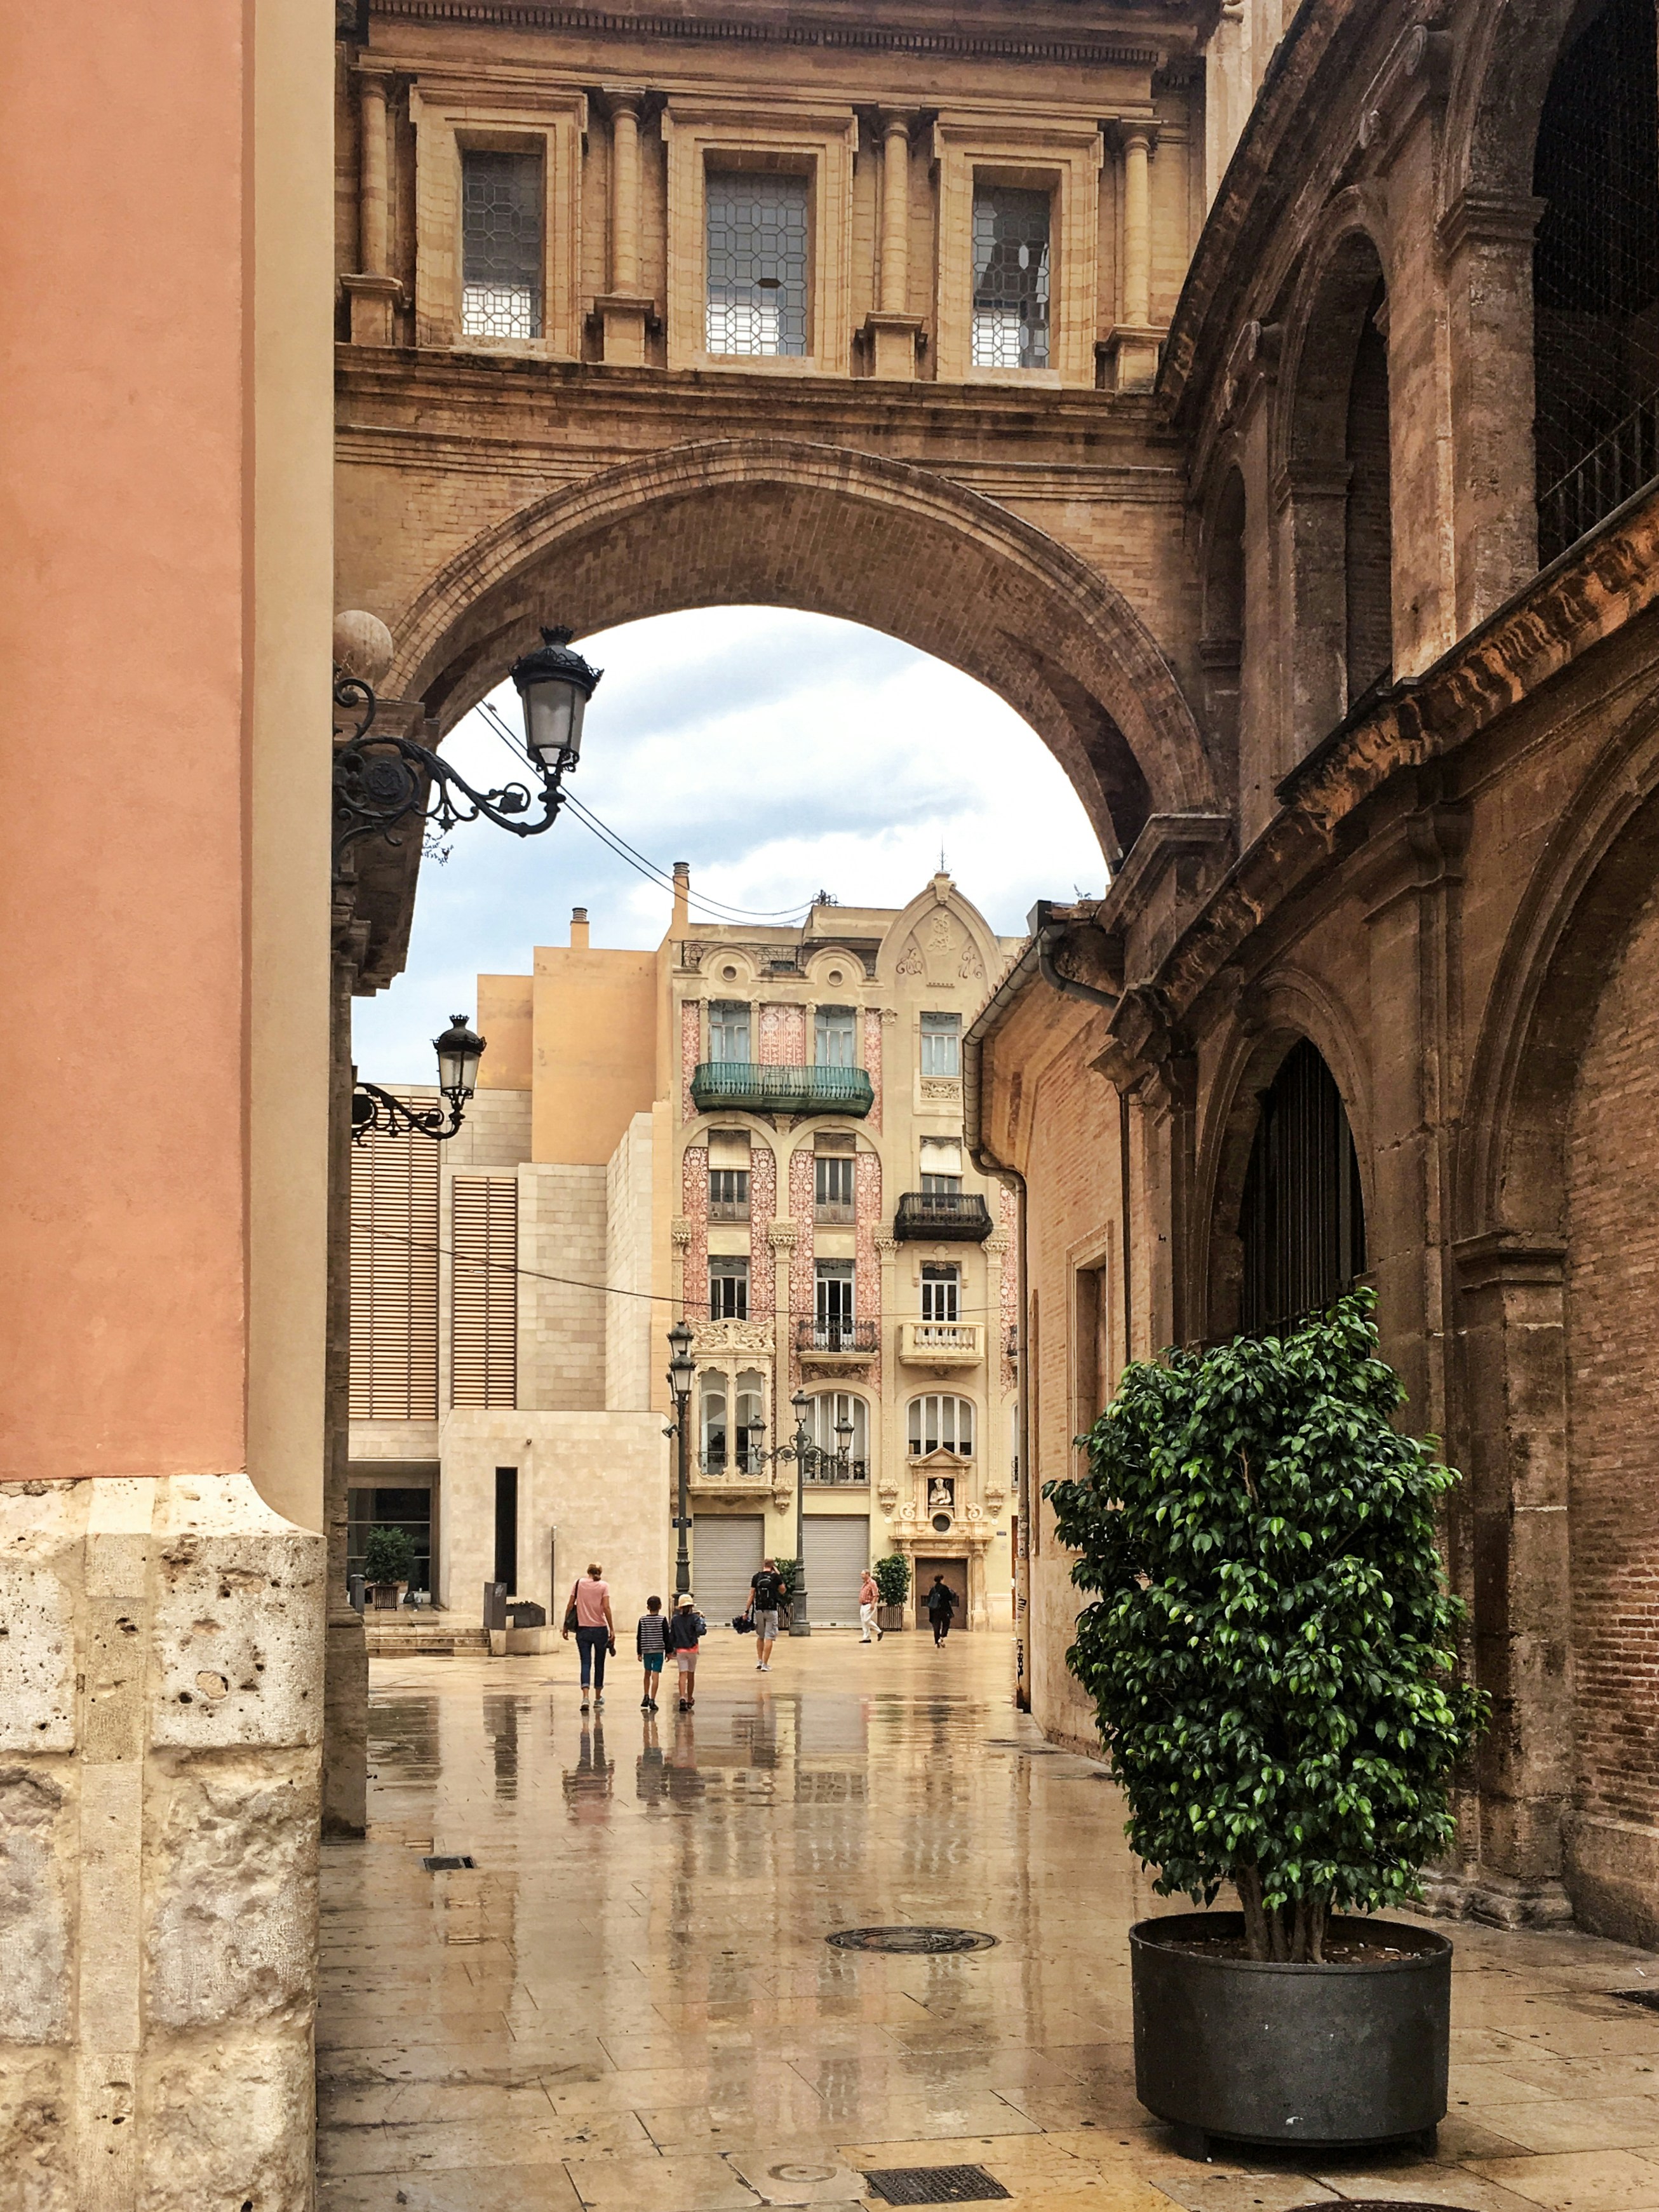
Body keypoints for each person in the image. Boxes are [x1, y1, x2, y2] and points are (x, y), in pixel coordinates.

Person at [562, 1561, 615, 1711]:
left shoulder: (578, 1583)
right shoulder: (604, 1586)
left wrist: (565, 1625)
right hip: (600, 1630)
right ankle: (598, 1698)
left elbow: (570, 1605)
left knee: (585, 1663)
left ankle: (585, 1697)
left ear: (588, 1572)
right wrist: (612, 1629)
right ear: (600, 1572)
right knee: (600, 1663)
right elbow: (606, 1608)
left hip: (583, 1630)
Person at [668, 1592, 706, 1710]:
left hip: (680, 1650)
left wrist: (670, 1650)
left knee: (682, 1674)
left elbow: (672, 1636)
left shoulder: (675, 1619)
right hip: (692, 1649)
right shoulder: (695, 1618)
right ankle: (690, 1698)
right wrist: (702, 1620)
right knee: (691, 1675)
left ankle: (682, 1697)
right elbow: (701, 1631)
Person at [749, 1556, 788, 1672]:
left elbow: (751, 1595)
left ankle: (760, 1661)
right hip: (771, 1610)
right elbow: (783, 1590)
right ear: (773, 1567)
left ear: (763, 1565)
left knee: (760, 1636)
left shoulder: (756, 1577)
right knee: (769, 1637)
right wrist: (778, 1574)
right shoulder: (775, 1577)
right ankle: (766, 1665)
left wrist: (746, 1611)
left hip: (759, 1610)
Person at [637, 1594, 667, 1711]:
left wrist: (639, 1652)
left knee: (647, 1673)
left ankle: (646, 1695)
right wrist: (669, 1651)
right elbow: (666, 1636)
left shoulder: (643, 1620)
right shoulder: (662, 1620)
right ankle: (653, 1700)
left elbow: (639, 1636)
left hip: (646, 1650)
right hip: (659, 1650)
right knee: (656, 1675)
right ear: (660, 1606)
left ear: (647, 1607)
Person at [926, 1572, 958, 1647]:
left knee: (936, 1626)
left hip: (934, 1611)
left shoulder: (932, 1589)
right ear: (941, 1580)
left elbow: (929, 1600)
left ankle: (936, 1643)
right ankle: (942, 1637)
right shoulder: (944, 1588)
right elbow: (950, 1598)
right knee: (946, 1623)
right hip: (944, 1610)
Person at [858, 1567, 884, 1645]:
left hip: (869, 1604)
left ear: (867, 1574)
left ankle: (879, 1631)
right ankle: (866, 1638)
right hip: (863, 1605)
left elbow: (876, 1594)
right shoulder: (865, 1583)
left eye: (863, 1574)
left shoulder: (872, 1583)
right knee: (864, 1622)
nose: (861, 1576)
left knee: (867, 1620)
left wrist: (873, 1604)